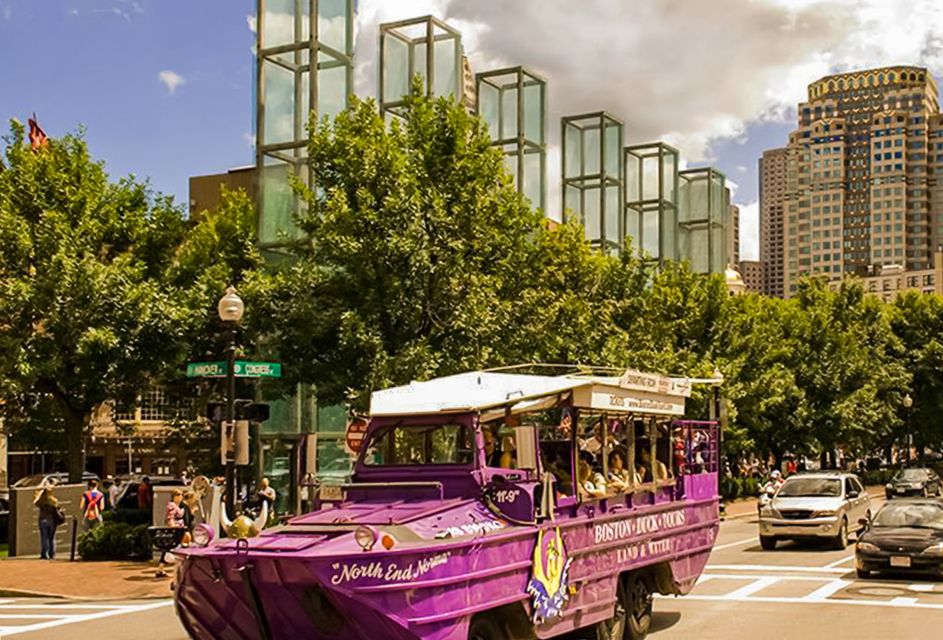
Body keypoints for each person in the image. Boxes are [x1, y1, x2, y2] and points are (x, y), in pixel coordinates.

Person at [35, 487, 62, 560]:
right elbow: (58, 507)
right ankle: (52, 553)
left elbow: (36, 502)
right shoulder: (53, 501)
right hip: (52, 521)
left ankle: (44, 554)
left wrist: (39, 494)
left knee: (44, 538)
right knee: (52, 538)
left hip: (43, 520)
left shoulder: (41, 501)